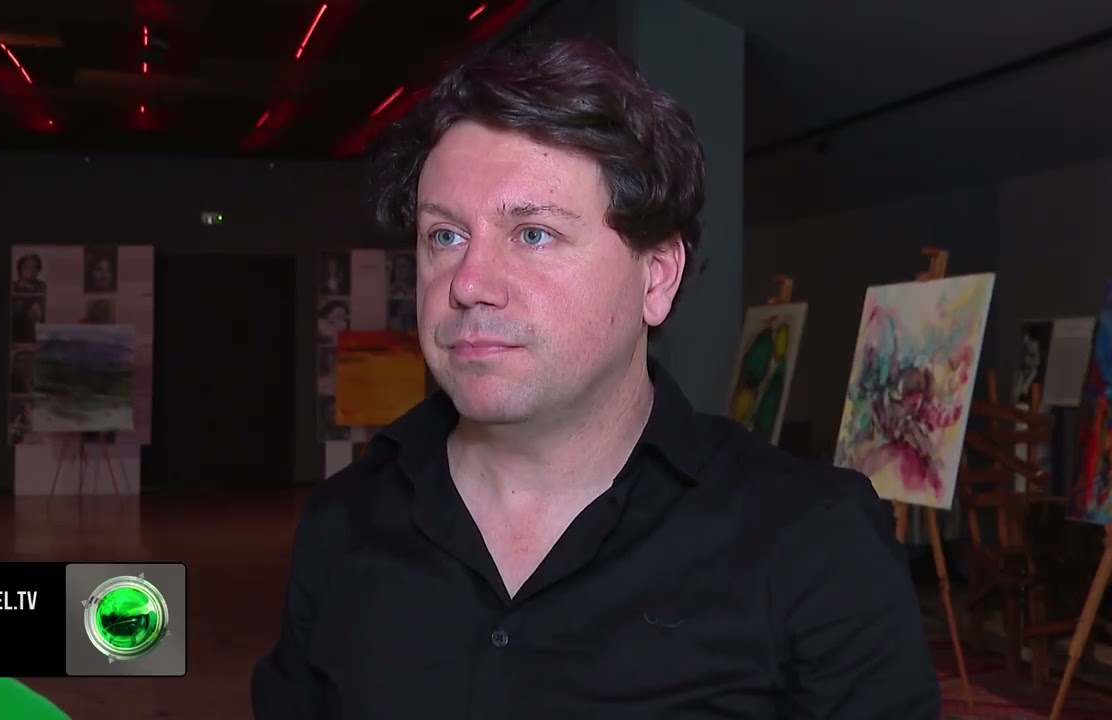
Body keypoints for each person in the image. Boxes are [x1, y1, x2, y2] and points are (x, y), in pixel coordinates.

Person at [251, 38, 940, 718]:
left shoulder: (813, 541)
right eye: (446, 236)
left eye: (534, 234)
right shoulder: (343, 523)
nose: (468, 283)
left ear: (657, 278)